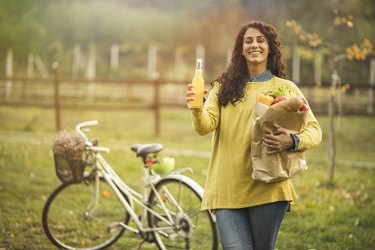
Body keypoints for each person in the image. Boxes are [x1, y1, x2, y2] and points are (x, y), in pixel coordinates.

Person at [185, 20, 322, 250]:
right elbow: (204, 127)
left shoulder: (286, 88)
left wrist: (292, 140)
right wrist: (197, 108)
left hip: (269, 188)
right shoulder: (223, 87)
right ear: (241, 48)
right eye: (248, 41)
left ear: (270, 48)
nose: (254, 45)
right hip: (227, 188)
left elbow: (314, 130)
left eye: (261, 40)